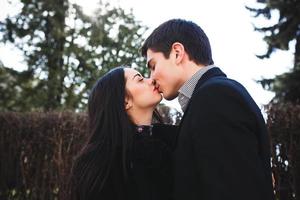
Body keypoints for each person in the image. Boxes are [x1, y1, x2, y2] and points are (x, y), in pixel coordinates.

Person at [141, 19, 275, 200]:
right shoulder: (209, 97)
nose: (152, 77)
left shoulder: (216, 96)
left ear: (177, 53)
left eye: (153, 66)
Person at [69, 67, 177, 200]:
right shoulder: (102, 166)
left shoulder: (173, 139)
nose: (152, 80)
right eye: (140, 79)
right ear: (125, 101)